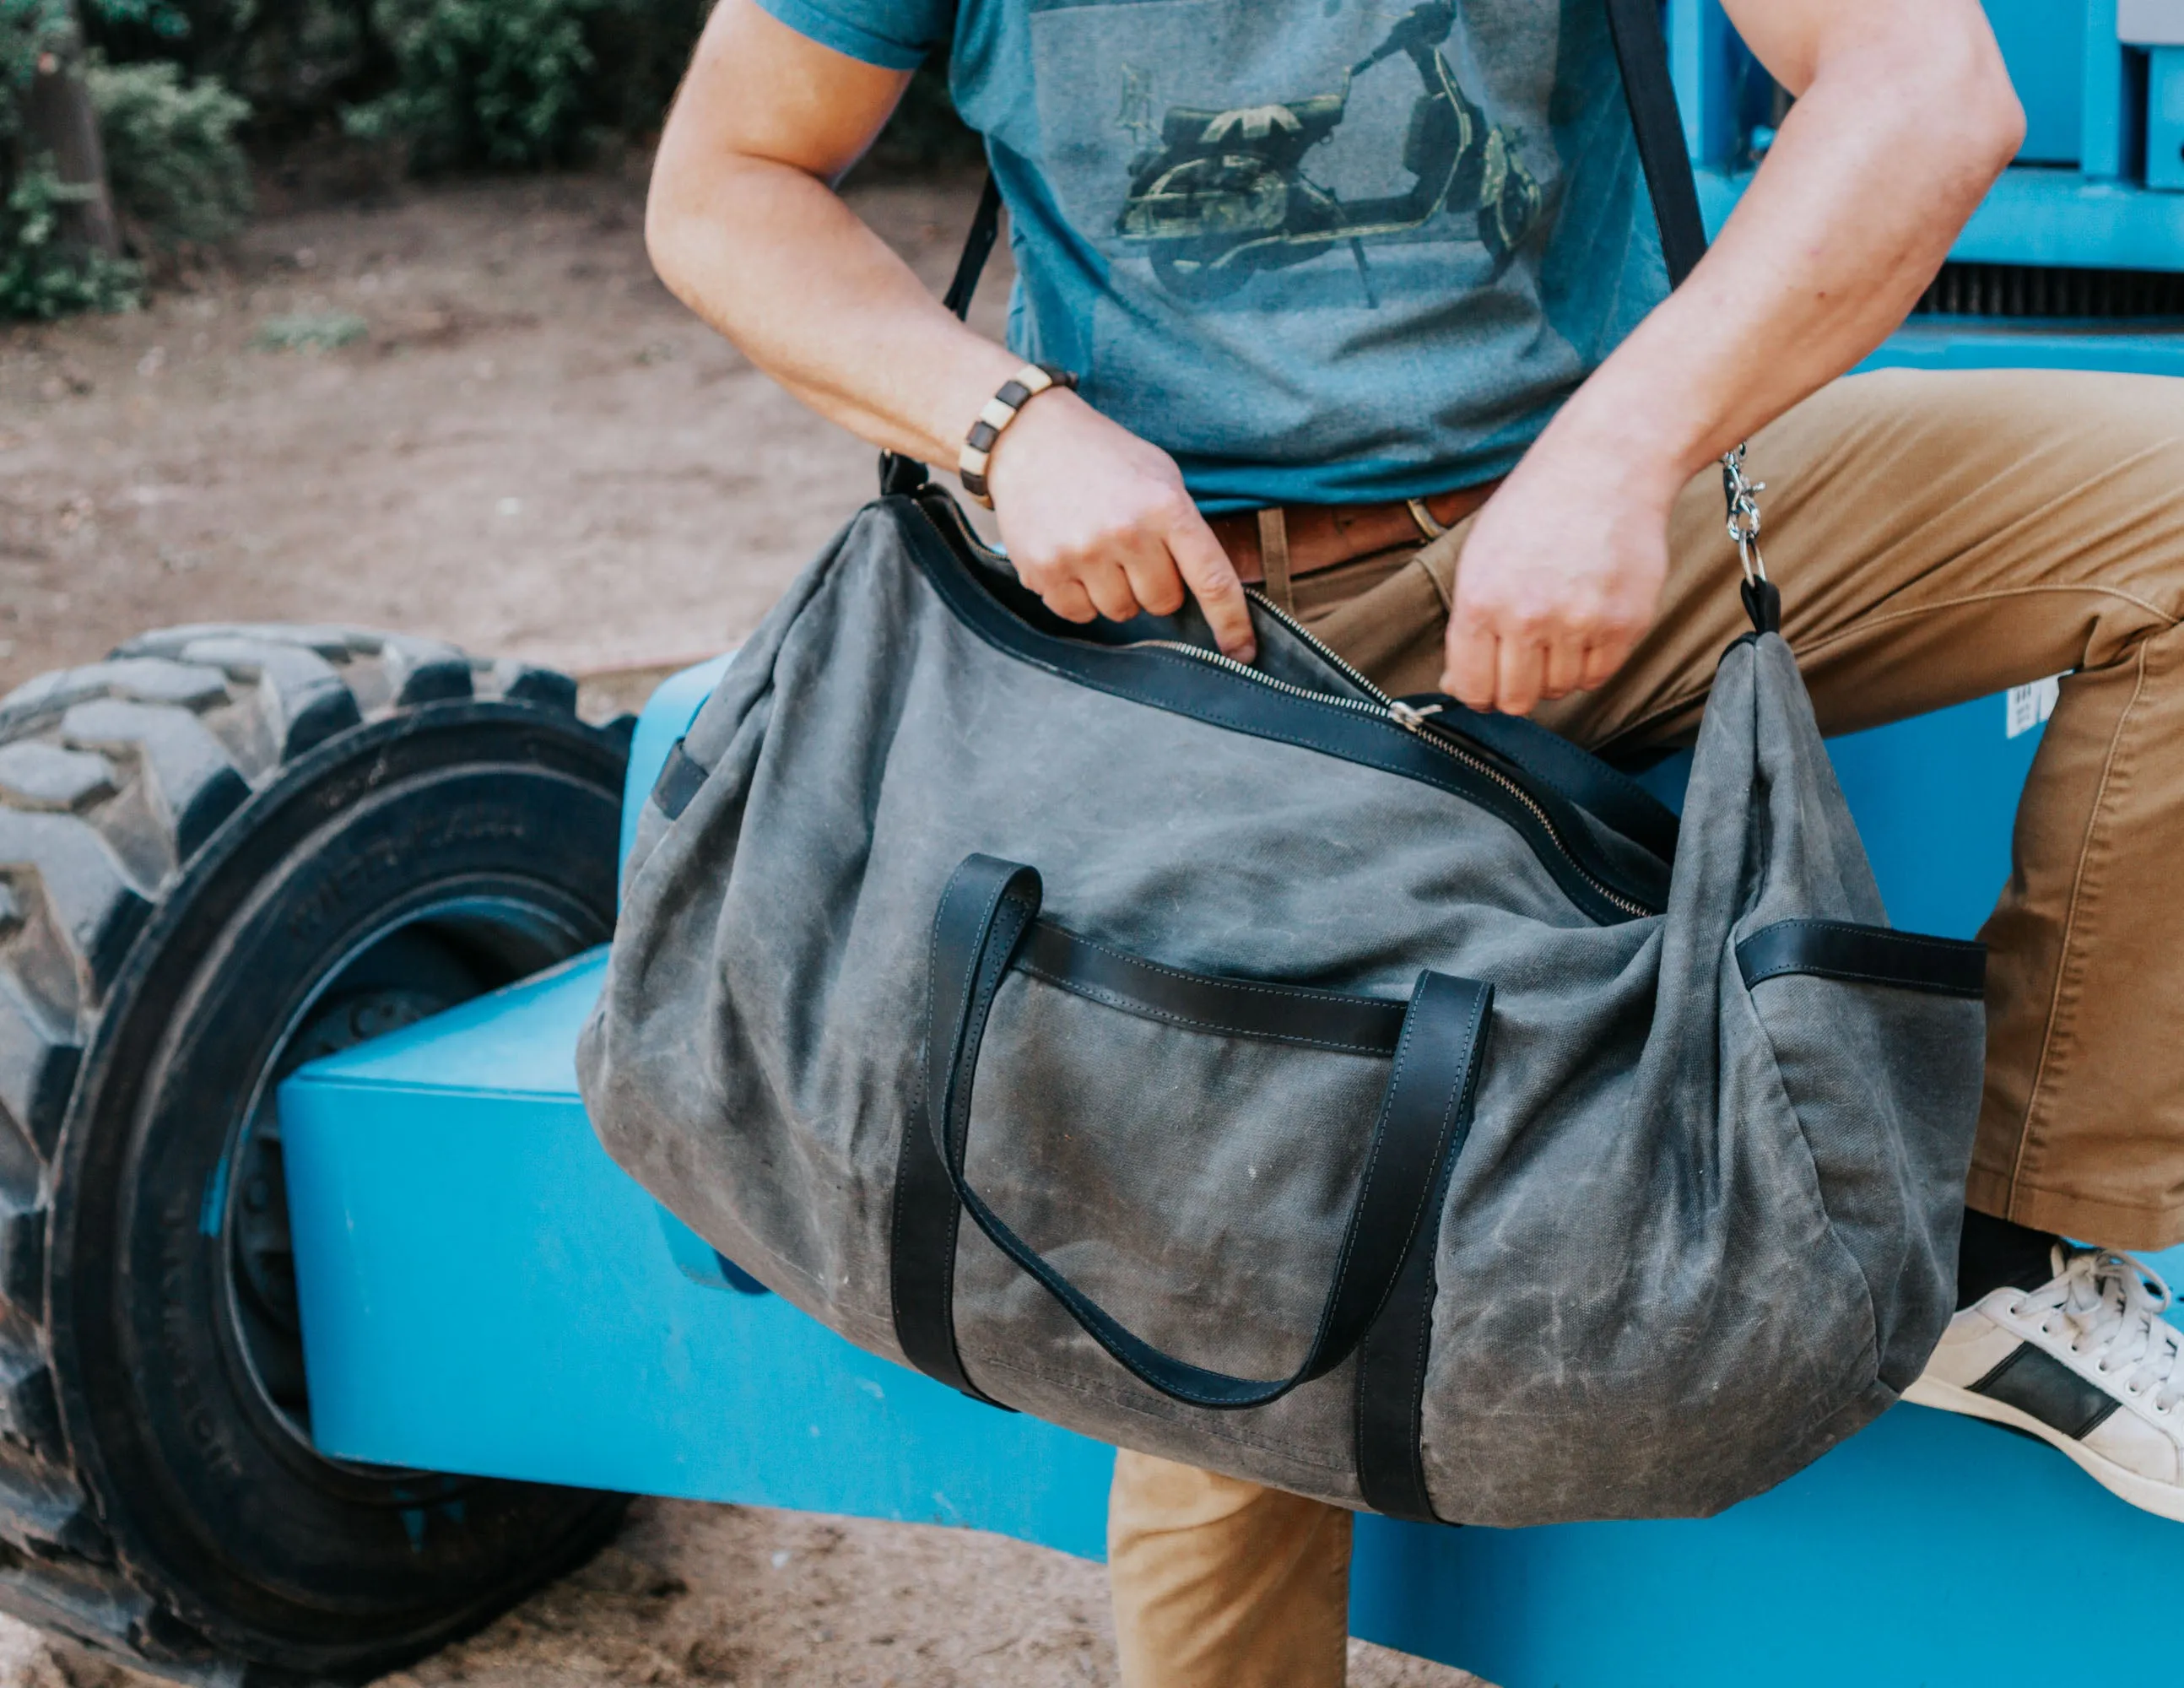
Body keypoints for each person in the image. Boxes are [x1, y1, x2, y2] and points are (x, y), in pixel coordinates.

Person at [643, 0, 2184, 1680]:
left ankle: (2000, 1249)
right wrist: (1007, 427)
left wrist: (1616, 450)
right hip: (1182, 623)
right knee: (1217, 1265)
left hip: (1590, 516)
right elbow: (724, 177)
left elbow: (1928, 86)